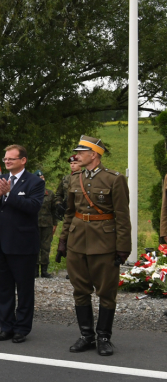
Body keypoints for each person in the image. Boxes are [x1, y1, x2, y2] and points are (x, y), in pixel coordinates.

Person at [56, 136, 131, 356]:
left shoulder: (114, 179)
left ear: (94, 155)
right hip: (77, 240)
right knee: (80, 291)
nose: (76, 155)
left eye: (81, 152)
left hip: (104, 242)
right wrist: (63, 241)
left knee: (106, 292)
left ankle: (104, 338)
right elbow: (70, 212)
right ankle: (86, 336)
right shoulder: (74, 178)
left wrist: (123, 247)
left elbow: (122, 216)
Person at [0, 144, 44, 343]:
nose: (7, 162)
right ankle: (6, 326)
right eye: (5, 159)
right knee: (4, 289)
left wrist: (9, 194)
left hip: (22, 245)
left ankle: (22, 328)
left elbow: (33, 207)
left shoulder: (34, 181)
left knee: (24, 289)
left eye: (11, 159)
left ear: (23, 160)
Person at [36, 171, 56, 278]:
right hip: (34, 224)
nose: (41, 179)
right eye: (39, 177)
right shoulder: (31, 192)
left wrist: (55, 224)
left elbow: (54, 210)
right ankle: (34, 270)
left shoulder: (50, 193)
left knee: (45, 247)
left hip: (47, 224)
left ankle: (44, 270)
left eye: (43, 177)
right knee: (34, 247)